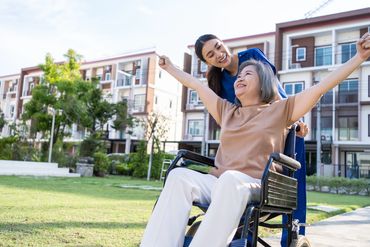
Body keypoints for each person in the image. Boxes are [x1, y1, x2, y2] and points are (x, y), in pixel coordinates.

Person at [140, 33, 370, 247]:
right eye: (239, 76)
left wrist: (359, 57)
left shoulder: (282, 110)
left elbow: (322, 86)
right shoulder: (226, 110)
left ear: (263, 82)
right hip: (220, 183)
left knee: (230, 179)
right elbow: (195, 84)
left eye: (247, 74)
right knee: (180, 176)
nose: (239, 78)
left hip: (256, 185)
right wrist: (168, 67)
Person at [194, 34, 308, 245]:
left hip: (281, 126)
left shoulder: (252, 56)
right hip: (251, 143)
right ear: (207, 63)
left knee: (293, 185)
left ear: (224, 43)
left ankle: (292, 236)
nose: (219, 54)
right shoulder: (218, 81)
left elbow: (274, 89)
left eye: (219, 47)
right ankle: (240, 237)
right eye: (211, 55)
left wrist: (294, 120)